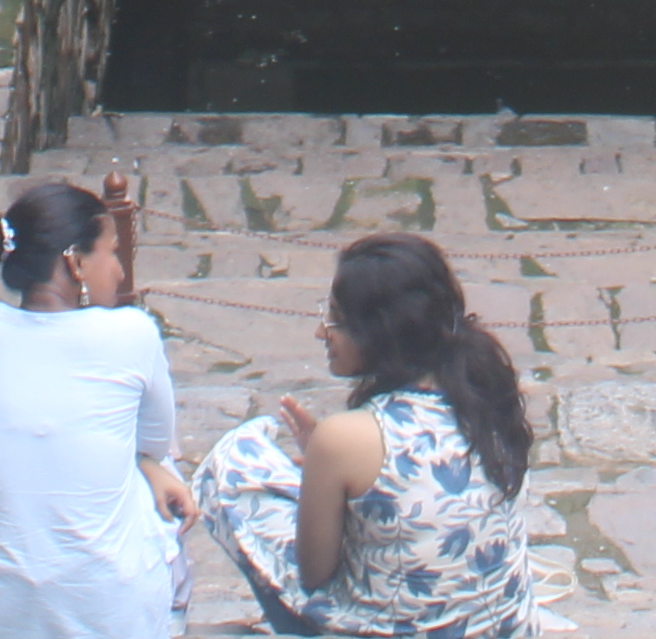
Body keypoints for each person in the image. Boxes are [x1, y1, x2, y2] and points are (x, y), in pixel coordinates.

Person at [197, 231, 533, 636]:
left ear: (379, 332)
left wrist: (323, 469)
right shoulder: (487, 388)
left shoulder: (344, 439)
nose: (323, 333)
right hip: (504, 626)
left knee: (234, 467)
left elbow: (315, 573)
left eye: (336, 319)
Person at [0, 172, 184, 639]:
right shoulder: (131, 331)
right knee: (162, 469)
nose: (117, 269)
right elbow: (152, 442)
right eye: (111, 252)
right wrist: (152, 465)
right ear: (75, 263)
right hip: (108, 607)